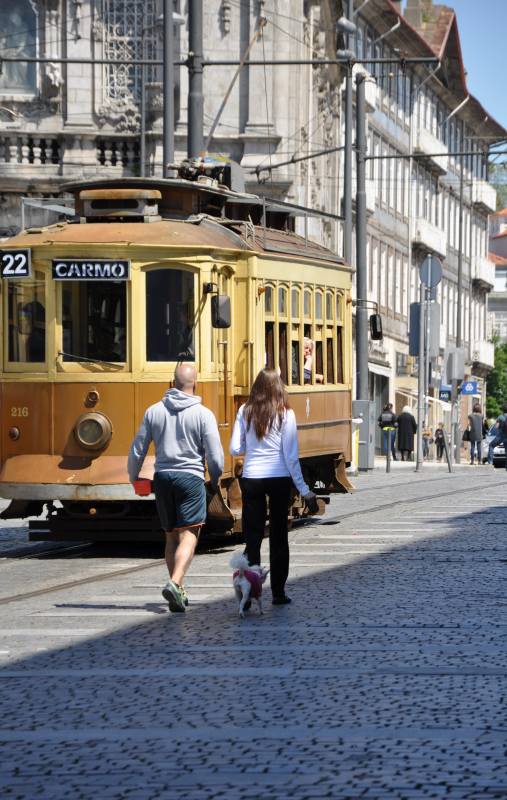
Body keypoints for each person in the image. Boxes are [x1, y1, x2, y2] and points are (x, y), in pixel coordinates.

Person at [128, 364, 224, 612]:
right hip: (190, 478)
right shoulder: (204, 414)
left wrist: (133, 474)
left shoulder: (154, 411)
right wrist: (215, 478)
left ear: (172, 383)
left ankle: (178, 591)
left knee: (170, 535)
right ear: (196, 383)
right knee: (189, 535)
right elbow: (214, 456)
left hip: (162, 478)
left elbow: (138, 447)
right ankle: (174, 582)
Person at [230, 368, 317, 605]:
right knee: (279, 536)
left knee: (253, 537)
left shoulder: (244, 411)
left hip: (252, 478)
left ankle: (249, 592)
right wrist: (304, 489)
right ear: (278, 387)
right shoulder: (285, 414)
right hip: (278, 478)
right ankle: (278, 592)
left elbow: (235, 449)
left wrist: (253, 446)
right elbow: (290, 457)